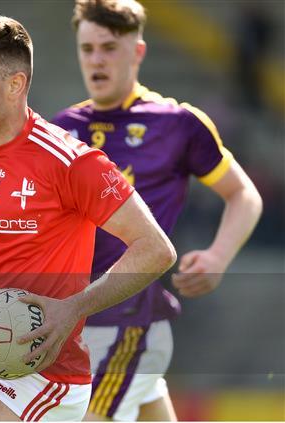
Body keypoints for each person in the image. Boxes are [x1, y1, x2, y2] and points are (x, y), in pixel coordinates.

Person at [0, 15, 177, 421]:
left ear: (14, 84)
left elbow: (155, 249)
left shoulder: (71, 161)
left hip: (49, 379)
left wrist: (73, 309)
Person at [52, 1, 263, 421]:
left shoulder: (177, 123)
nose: (96, 59)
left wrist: (218, 256)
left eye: (109, 48)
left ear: (138, 52)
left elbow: (243, 194)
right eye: (87, 48)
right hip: (76, 322)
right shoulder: (61, 129)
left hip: (130, 320)